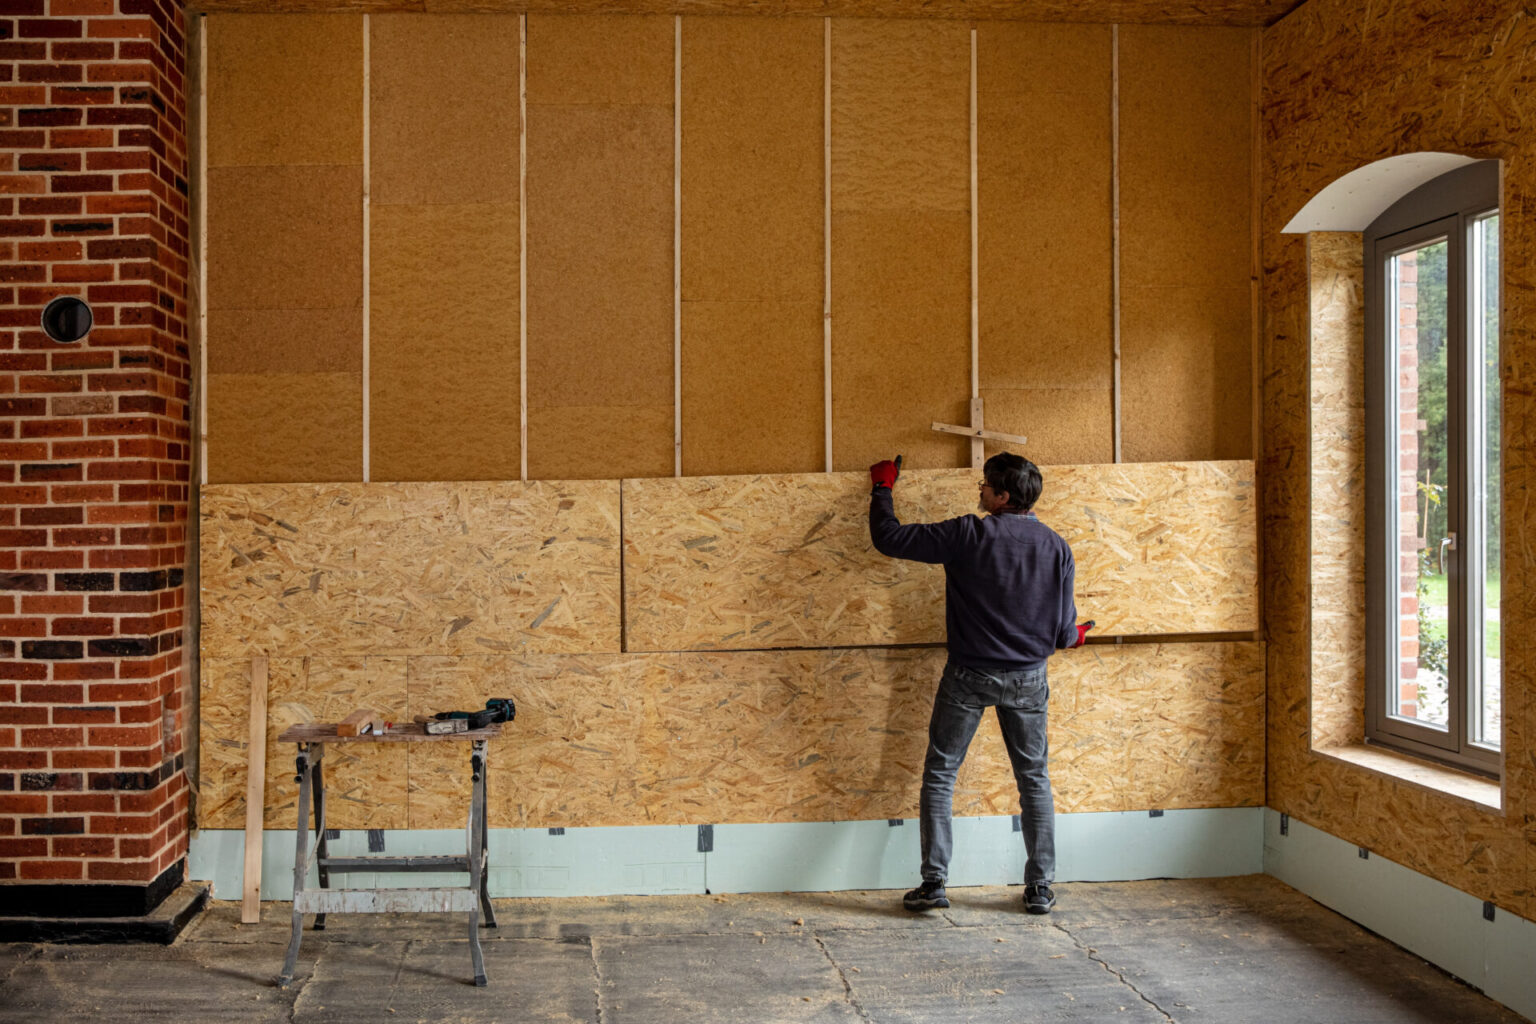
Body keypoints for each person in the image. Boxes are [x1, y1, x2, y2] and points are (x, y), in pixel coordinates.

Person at [868, 452, 1090, 915]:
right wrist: (1076, 636)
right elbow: (1064, 635)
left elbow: (888, 539)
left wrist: (883, 488)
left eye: (985, 485)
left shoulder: (968, 534)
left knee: (941, 773)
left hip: (968, 675)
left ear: (1003, 497)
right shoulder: (1057, 547)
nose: (980, 491)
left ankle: (934, 884)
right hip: (1029, 680)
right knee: (1033, 780)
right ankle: (1040, 888)